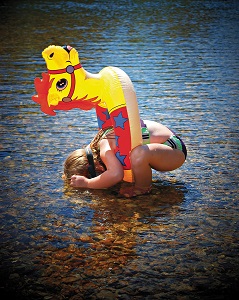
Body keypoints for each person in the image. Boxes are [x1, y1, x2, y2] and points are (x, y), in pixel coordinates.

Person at [63, 120, 187, 197]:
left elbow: (116, 174)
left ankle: (142, 188)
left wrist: (87, 183)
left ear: (91, 166)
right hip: (164, 149)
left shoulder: (104, 145)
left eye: (93, 175)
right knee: (137, 155)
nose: (100, 174)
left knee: (138, 155)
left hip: (173, 148)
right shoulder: (99, 144)